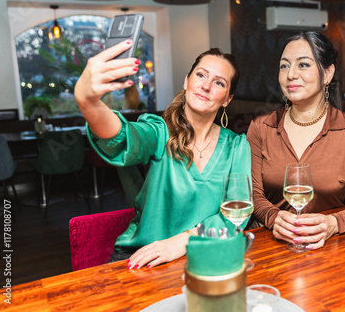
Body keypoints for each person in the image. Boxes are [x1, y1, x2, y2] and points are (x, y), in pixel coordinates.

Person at [75, 40, 250, 268]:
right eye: (200, 75)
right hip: (143, 259)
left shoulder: (237, 147)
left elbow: (235, 216)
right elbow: (122, 137)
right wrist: (88, 103)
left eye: (218, 82)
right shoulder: (158, 131)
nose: (206, 86)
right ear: (186, 81)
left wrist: (183, 242)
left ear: (228, 99)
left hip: (205, 256)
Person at [246, 31, 345, 250]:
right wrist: (273, 218)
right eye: (284, 66)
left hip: (329, 249)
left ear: (327, 74)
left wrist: (335, 223)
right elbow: (252, 193)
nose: (291, 75)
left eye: (303, 65)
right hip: (271, 248)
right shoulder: (261, 128)